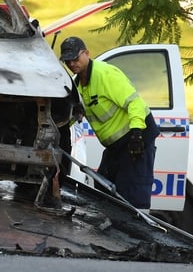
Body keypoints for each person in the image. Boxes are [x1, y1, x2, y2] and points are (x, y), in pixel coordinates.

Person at [59, 36, 159, 209]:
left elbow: (135, 103)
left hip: (136, 138)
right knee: (104, 187)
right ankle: (113, 227)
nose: (72, 64)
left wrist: (136, 134)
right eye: (68, 61)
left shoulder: (104, 74)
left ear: (86, 53)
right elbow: (75, 115)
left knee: (131, 193)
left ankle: (134, 229)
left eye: (75, 58)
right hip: (116, 147)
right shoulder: (79, 86)